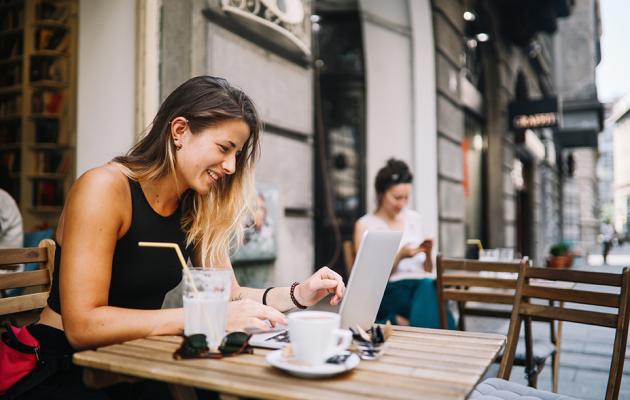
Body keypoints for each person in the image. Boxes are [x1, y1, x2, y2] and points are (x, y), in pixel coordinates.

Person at [11, 76, 345, 399]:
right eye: (224, 148)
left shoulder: (195, 207)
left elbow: (231, 297)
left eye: (237, 155)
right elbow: (83, 326)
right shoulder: (104, 189)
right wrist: (207, 318)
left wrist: (300, 293)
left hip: (135, 362)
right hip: (63, 365)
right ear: (180, 130)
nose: (230, 166)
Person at [353, 158, 453, 329]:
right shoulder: (366, 225)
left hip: (421, 286)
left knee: (430, 285)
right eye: (397, 197)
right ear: (381, 194)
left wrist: (427, 253)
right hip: (390, 290)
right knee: (432, 291)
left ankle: (409, 326)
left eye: (406, 198)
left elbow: (428, 270)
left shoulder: (414, 219)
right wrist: (399, 256)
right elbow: (366, 278)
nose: (402, 204)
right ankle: (447, 338)